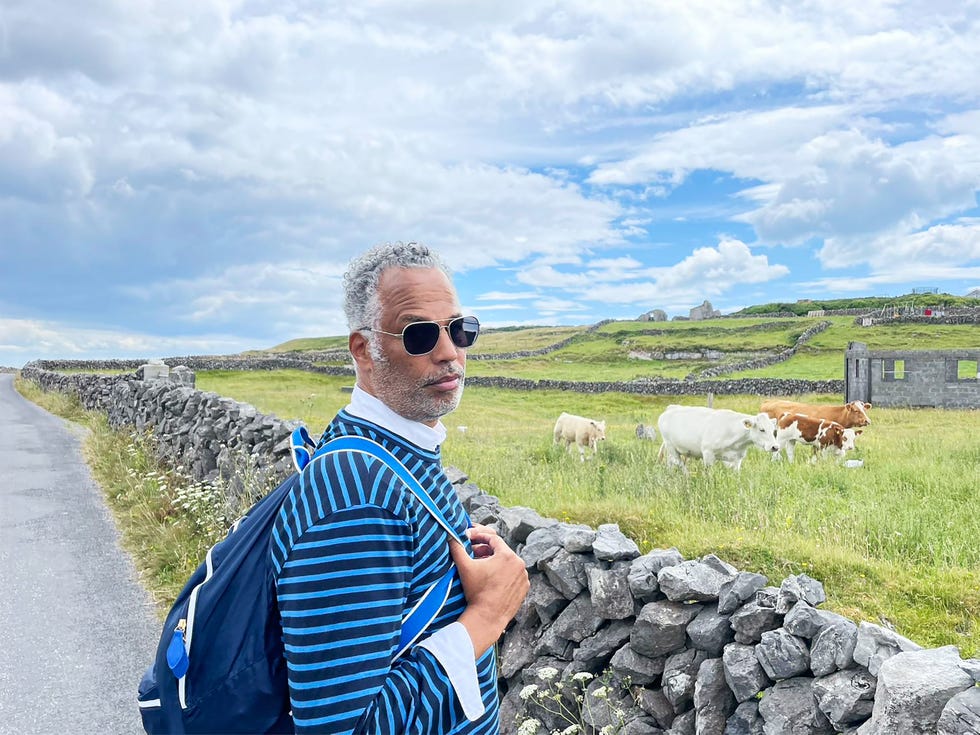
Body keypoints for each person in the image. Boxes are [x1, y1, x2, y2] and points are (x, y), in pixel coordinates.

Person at [270, 241, 530, 734]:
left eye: (460, 329)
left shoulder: (391, 455)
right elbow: (343, 728)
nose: (450, 351)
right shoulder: (357, 493)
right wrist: (487, 616)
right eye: (418, 335)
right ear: (364, 349)